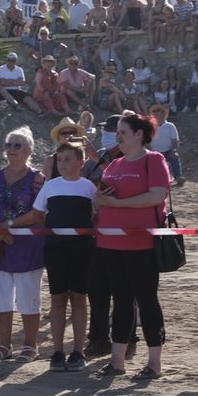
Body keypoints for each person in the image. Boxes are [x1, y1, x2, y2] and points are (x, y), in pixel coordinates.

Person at [93, 113, 171, 378]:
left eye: (123, 132)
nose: (118, 137)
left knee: (147, 300)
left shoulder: (154, 160)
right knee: (121, 300)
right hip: (109, 242)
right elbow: (101, 200)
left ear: (139, 134)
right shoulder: (114, 164)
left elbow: (157, 195)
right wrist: (100, 200)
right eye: (117, 133)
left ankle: (154, 363)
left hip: (142, 243)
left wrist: (117, 203)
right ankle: (117, 361)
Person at [22, 141, 97, 371]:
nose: (63, 164)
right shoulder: (50, 186)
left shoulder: (89, 187)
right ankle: (57, 352)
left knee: (79, 297)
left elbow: (98, 215)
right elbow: (37, 214)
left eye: (68, 159)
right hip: (56, 248)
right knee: (58, 298)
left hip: (82, 249)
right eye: (60, 160)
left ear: (81, 163)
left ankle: (77, 351)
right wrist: (10, 224)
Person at [0, 127, 47, 361]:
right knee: (0, 297)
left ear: (29, 150)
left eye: (18, 145)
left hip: (27, 245)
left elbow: (38, 213)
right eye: (9, 145)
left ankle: (30, 345)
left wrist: (7, 225)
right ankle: (4, 344)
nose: (12, 149)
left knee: (28, 297)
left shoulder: (37, 179)